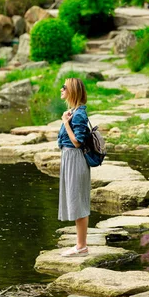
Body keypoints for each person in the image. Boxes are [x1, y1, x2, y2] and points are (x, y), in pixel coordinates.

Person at [57, 77, 91, 257]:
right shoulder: (73, 111)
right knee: (75, 199)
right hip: (69, 158)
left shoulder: (78, 114)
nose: (61, 89)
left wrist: (65, 123)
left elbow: (78, 142)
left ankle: (81, 246)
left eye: (64, 87)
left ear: (72, 91)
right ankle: (80, 244)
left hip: (75, 159)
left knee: (78, 201)